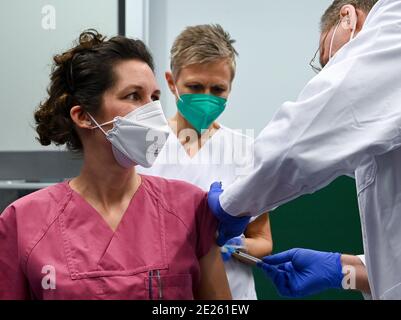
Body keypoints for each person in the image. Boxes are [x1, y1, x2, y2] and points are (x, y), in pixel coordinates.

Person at [0, 30, 231, 300]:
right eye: (134, 96)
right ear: (84, 116)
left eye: (154, 98)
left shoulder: (190, 207)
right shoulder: (24, 221)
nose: (153, 112)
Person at [208, 0, 401, 299]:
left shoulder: (394, 27)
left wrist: (231, 205)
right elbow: (393, 270)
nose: (331, 70)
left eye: (328, 57)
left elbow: (296, 144)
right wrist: (342, 271)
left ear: (347, 17)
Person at [137, 24, 272, 300]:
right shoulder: (142, 146)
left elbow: (263, 241)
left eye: (218, 89)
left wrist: (231, 245)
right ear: (172, 82)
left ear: (230, 88)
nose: (207, 97)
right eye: (195, 86)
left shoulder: (245, 150)